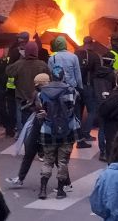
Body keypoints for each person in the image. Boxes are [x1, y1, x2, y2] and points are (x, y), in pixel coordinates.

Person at [37, 65, 80, 200]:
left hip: (48, 129)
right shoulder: (71, 91)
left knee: (47, 160)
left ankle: (43, 190)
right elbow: (73, 106)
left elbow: (39, 110)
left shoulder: (41, 92)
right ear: (63, 76)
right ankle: (60, 191)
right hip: (67, 130)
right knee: (62, 161)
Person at [5, 73, 50, 188]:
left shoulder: (48, 94)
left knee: (54, 156)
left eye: (38, 84)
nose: (36, 86)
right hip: (38, 124)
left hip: (46, 126)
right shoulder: (40, 93)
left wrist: (32, 107)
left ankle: (66, 182)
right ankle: (20, 178)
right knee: (29, 152)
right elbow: (31, 105)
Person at [6, 40, 50, 127]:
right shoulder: (42, 65)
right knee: (38, 117)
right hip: (38, 97)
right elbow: (49, 79)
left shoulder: (19, 64)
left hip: (22, 96)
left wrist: (21, 58)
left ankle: (21, 135)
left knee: (21, 116)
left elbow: (8, 71)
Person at [75, 36, 101, 148]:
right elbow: (98, 72)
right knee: (92, 110)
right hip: (88, 86)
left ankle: (79, 134)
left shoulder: (76, 53)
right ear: (91, 43)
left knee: (78, 112)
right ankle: (86, 134)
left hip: (77, 86)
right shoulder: (94, 56)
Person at [4, 32, 28, 137]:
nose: (18, 40)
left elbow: (8, 68)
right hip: (20, 85)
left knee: (14, 109)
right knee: (20, 109)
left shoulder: (14, 51)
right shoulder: (28, 52)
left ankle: (15, 130)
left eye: (20, 39)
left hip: (12, 85)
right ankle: (20, 131)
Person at [94, 55, 117, 162]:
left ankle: (102, 152)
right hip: (109, 103)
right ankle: (110, 151)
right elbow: (114, 89)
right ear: (112, 62)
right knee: (110, 128)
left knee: (101, 128)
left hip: (98, 103)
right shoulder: (111, 75)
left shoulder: (96, 73)